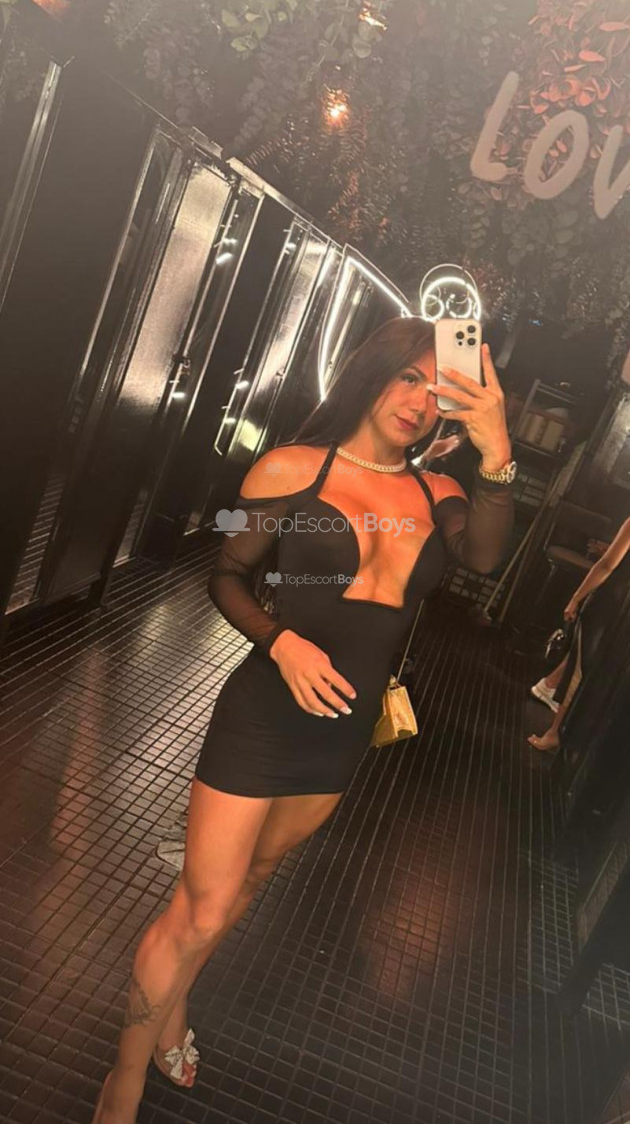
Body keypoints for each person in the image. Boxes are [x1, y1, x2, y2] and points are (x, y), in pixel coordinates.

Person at [93, 317, 514, 1123]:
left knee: (251, 880)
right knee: (201, 909)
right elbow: (228, 574)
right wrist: (280, 640)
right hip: (263, 717)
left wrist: (497, 449)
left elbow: (487, 559)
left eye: (438, 391)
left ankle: (172, 1013)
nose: (419, 402)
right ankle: (123, 1083)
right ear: (373, 373)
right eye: (408, 378)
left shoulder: (443, 496)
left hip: (341, 732)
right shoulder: (294, 469)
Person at [528, 517, 630, 751]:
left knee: (579, 669)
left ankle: (554, 732)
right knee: (592, 666)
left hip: (611, 603)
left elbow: (606, 566)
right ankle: (548, 687)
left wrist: (576, 598)